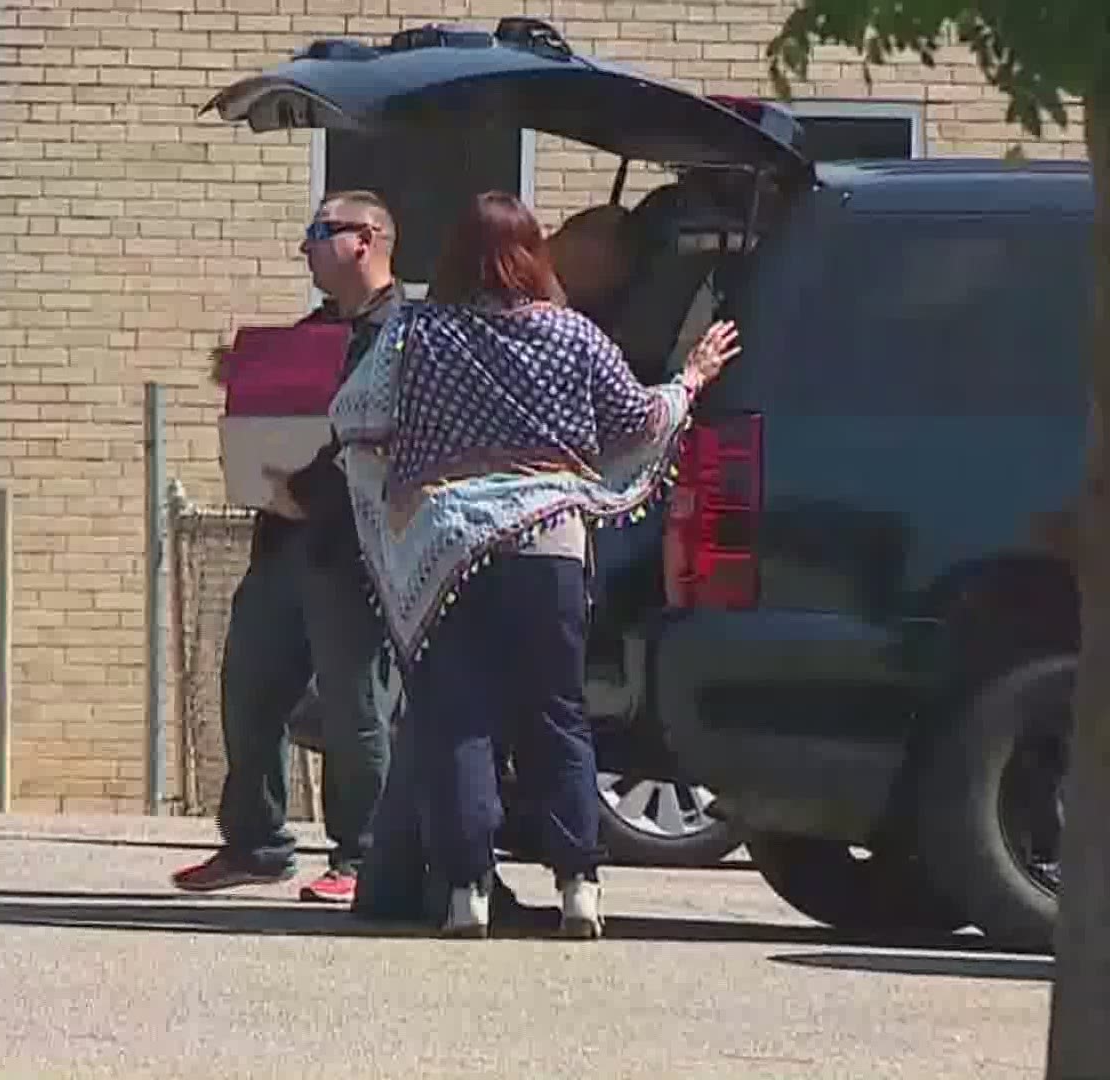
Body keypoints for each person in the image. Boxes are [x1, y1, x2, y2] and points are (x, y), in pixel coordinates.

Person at [329, 191, 740, 938]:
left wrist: (398, 481)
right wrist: (692, 377)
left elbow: (354, 417)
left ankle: (467, 893)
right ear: (535, 254)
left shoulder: (416, 332)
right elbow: (639, 422)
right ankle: (580, 884)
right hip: (550, 546)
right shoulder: (572, 334)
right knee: (558, 717)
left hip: (451, 551)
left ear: (455, 255)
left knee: (460, 723)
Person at [173, 190, 399, 905]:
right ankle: (256, 844)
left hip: (349, 546)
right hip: (281, 540)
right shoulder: (311, 333)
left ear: (365, 240)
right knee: (248, 686)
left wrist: (315, 487)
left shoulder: (404, 334)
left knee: (353, 703)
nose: (304, 247)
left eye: (318, 233)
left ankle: (364, 856)